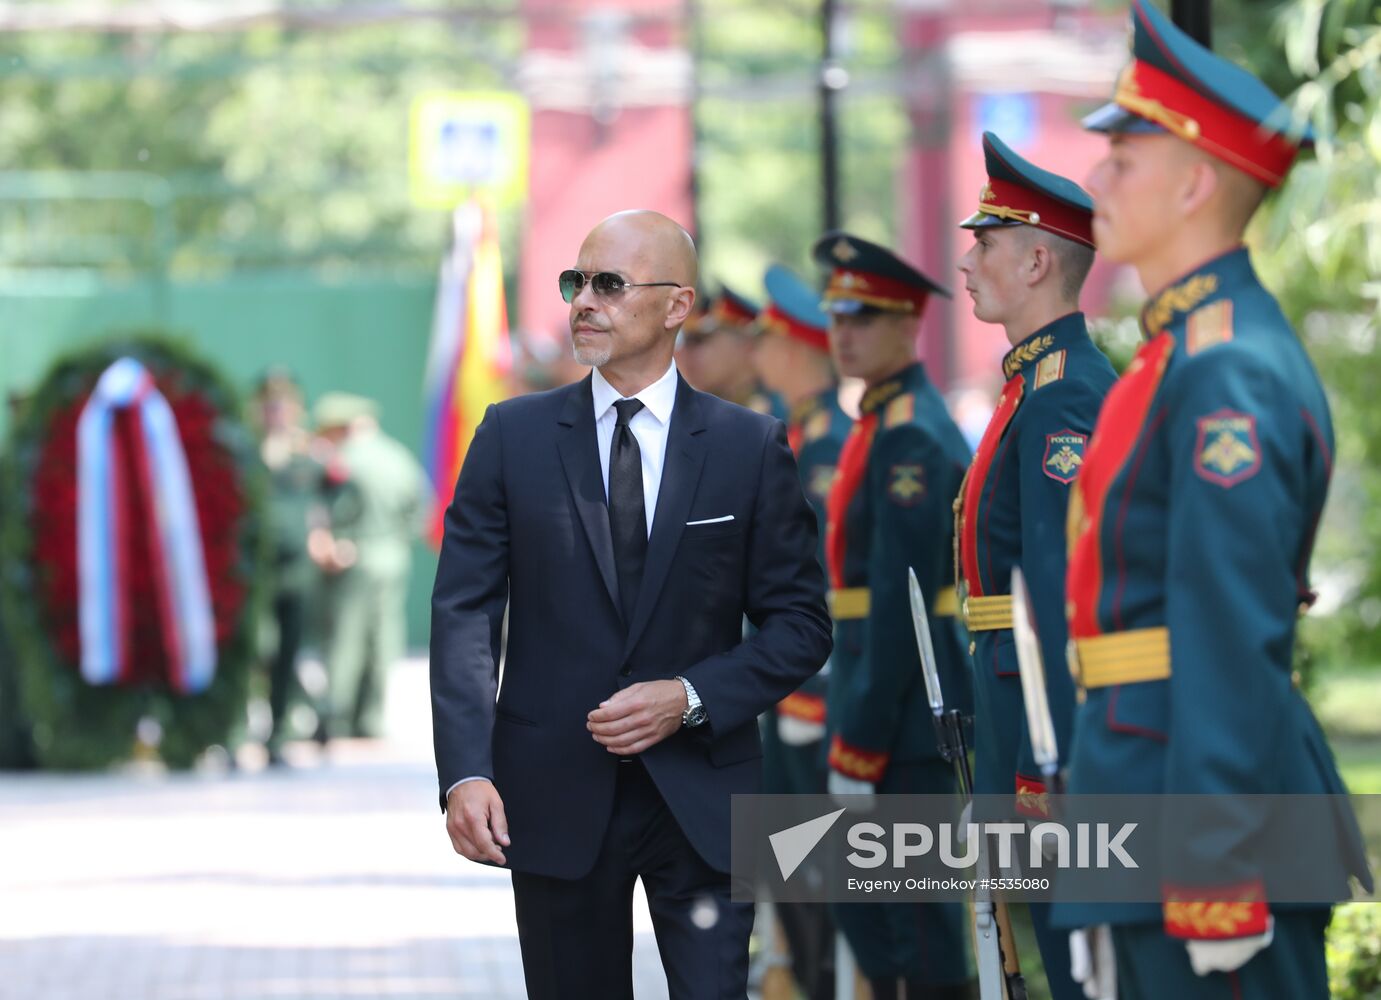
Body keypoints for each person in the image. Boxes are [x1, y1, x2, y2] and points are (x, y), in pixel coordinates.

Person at [431, 210, 832, 1000]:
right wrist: (465, 772)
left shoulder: (746, 446)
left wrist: (688, 697)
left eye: (609, 284)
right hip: (549, 793)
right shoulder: (511, 437)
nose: (584, 301)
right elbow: (465, 614)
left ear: (677, 305)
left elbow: (799, 624)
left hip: (705, 796)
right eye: (575, 282)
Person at [1054, 3, 1371, 997]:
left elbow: (1226, 626)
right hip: (1145, 779)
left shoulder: (1224, 367)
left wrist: (1215, 868)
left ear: (1194, 183)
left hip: (1202, 817)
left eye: (1125, 159)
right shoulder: (1181, 351)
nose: (1096, 174)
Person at [953, 132, 1117, 999]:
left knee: (1069, 959)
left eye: (985, 243)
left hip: (1039, 720)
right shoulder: (1030, 385)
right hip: (1007, 698)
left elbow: (1054, 592)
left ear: (1036, 262)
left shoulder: (1065, 394)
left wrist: (1038, 765)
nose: (967, 261)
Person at [814, 231, 976, 1000]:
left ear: (908, 323)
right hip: (878, 693)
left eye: (864, 317)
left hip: (904, 713)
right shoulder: (883, 419)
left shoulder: (908, 431)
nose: (843, 332)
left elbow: (899, 604)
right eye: (837, 316)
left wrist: (860, 738)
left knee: (915, 925)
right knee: (882, 916)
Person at [750, 263, 851, 1000]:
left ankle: (810, 978)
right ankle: (792, 972)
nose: (756, 354)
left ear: (795, 350)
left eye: (766, 340)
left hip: (811, 689)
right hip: (782, 687)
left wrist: (806, 688)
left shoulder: (823, 450)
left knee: (816, 859)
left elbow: (824, 586)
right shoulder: (795, 438)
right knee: (785, 858)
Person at [313, 392, 427, 741]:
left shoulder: (344, 461)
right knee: (383, 637)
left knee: (346, 638)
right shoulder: (399, 457)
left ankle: (336, 716)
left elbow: (329, 511)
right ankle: (371, 719)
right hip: (393, 556)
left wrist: (339, 538)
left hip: (356, 555)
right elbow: (422, 511)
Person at [253, 369, 330, 764]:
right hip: (255, 568)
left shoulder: (309, 455)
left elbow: (331, 498)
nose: (276, 413)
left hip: (297, 567)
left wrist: (325, 534)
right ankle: (236, 732)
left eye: (283, 405)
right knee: (255, 649)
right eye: (269, 406)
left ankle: (278, 733)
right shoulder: (248, 452)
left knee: (288, 652)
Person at [677, 284, 787, 419]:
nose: (683, 353)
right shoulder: (694, 414)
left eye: (698, 340)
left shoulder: (777, 416)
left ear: (747, 345)